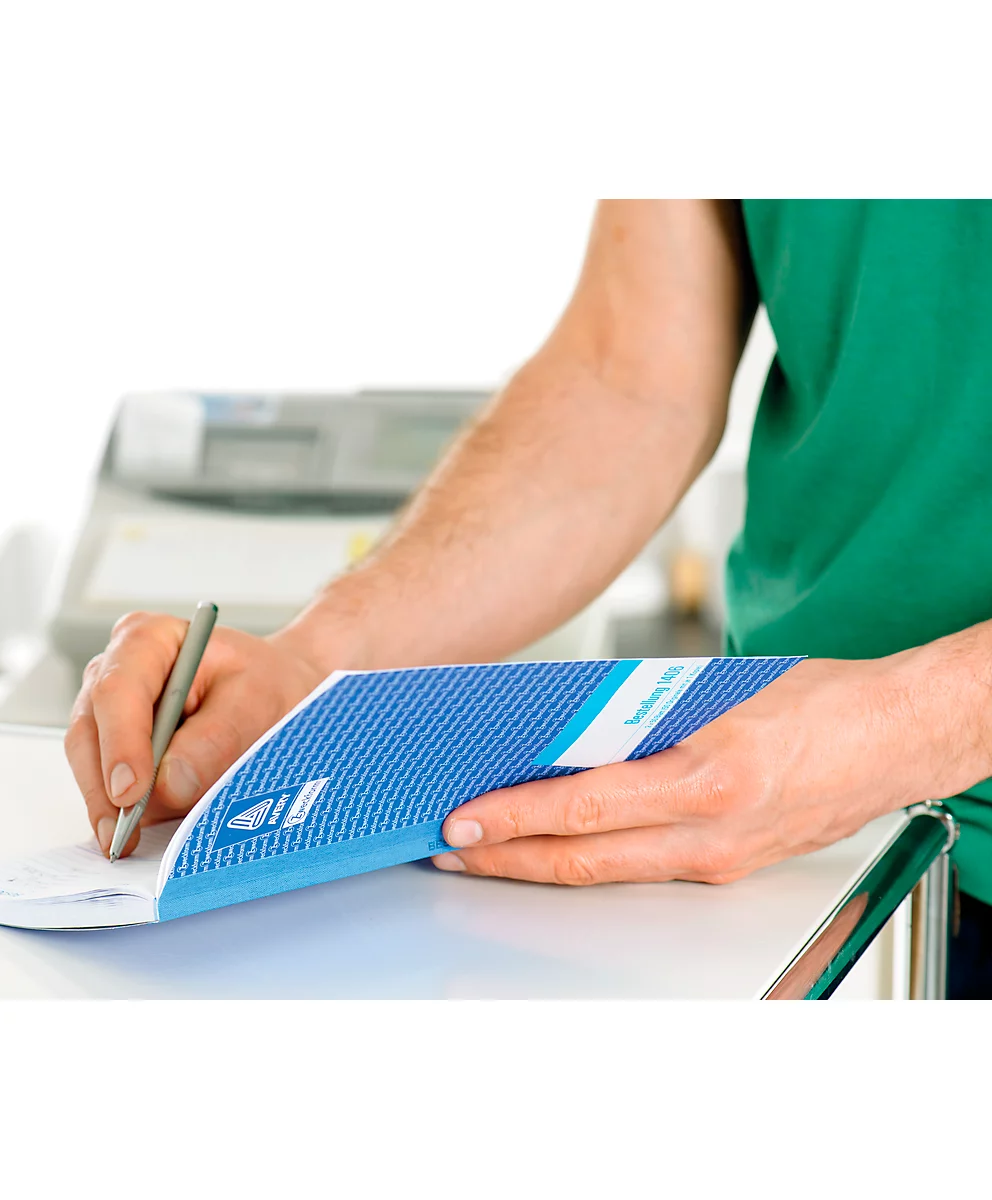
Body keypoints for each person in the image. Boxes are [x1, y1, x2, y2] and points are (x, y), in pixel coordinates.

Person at [64, 200, 992, 998]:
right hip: (782, 852)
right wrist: (316, 660)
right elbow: (630, 382)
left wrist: (911, 725)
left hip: (857, 816)